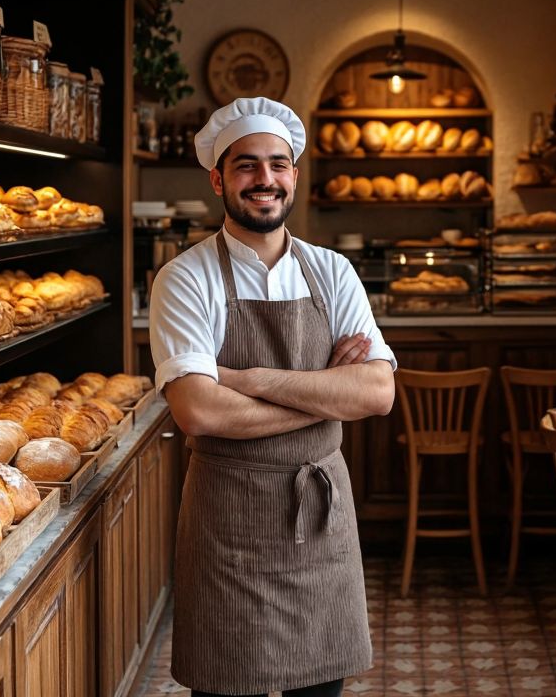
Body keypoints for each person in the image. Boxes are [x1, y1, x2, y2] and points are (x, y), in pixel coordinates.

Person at [148, 97, 397, 697]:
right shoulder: (185, 278)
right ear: (218, 178)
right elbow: (198, 410)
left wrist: (246, 378)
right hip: (227, 525)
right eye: (247, 166)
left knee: (322, 691)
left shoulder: (333, 271)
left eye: (278, 165)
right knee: (225, 684)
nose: (266, 180)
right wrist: (323, 392)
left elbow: (378, 392)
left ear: (294, 174)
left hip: (321, 518)